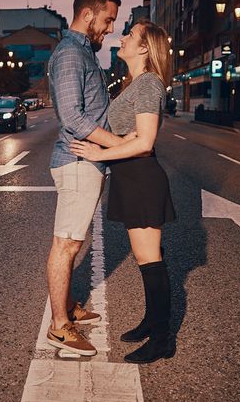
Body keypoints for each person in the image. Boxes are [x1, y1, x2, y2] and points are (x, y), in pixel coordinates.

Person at [70, 19, 177, 364]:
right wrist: (123, 141)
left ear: (145, 48)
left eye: (130, 35)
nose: (123, 38)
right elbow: (134, 135)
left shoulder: (147, 84)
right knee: (147, 259)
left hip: (142, 178)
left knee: (151, 261)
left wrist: (100, 152)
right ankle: (152, 322)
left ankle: (163, 340)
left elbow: (145, 141)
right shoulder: (136, 84)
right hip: (132, 178)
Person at [46, 0, 127, 357]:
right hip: (78, 162)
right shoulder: (69, 54)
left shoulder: (83, 52)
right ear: (88, 13)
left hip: (88, 162)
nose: (111, 28)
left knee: (74, 241)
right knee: (67, 243)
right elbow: (73, 117)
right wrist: (120, 147)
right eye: (108, 20)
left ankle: (69, 305)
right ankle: (60, 326)